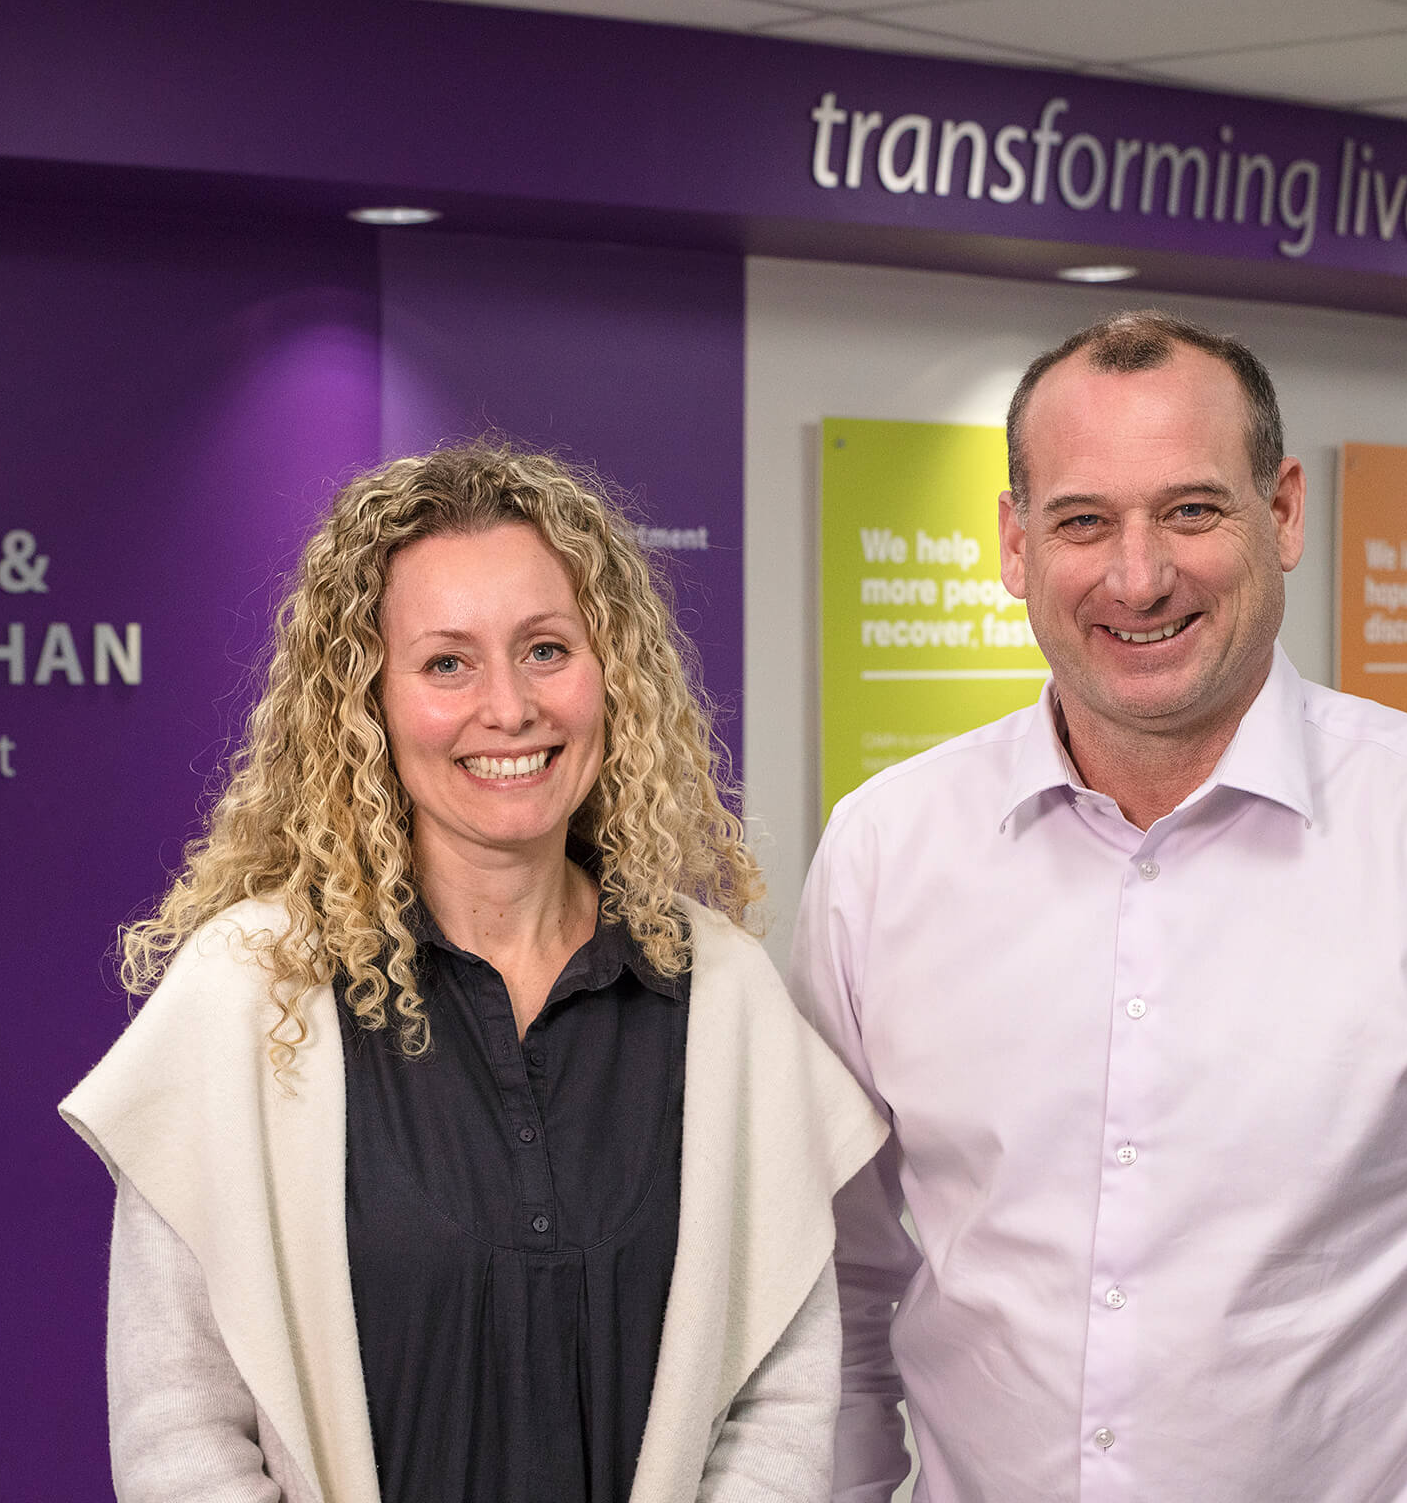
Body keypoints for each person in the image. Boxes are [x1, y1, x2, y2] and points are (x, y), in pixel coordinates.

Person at [788, 312, 1407, 1502]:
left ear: (1285, 512)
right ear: (1013, 543)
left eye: (1192, 510)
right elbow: (835, 1291)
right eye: (1083, 521)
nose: (1138, 575)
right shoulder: (884, 852)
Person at [61, 441, 885, 1503]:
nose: (510, 707)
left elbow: (784, 1392)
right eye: (447, 662)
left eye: (547, 648)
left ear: (613, 675)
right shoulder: (247, 997)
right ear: (368, 701)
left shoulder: (719, 995)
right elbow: (180, 1429)